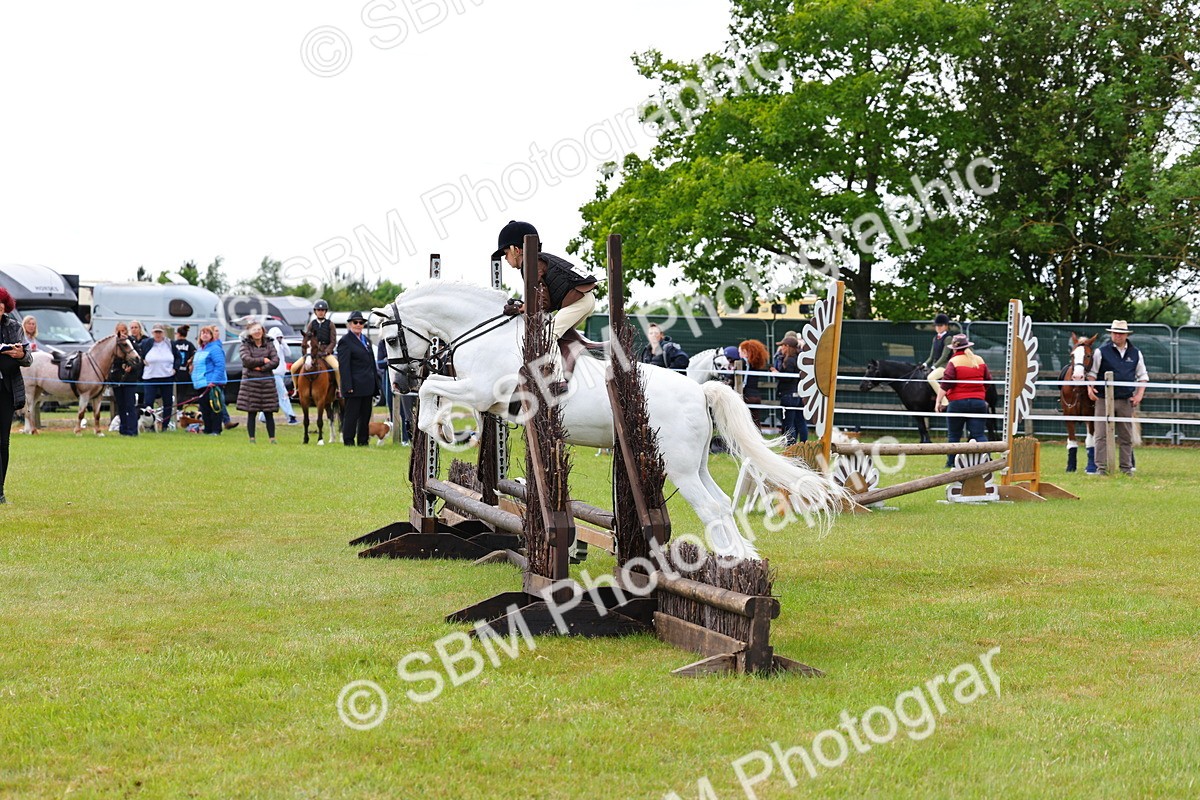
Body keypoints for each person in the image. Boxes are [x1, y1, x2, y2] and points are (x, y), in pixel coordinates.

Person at [493, 220, 597, 386]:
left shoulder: (531, 264)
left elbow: (543, 302)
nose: (505, 258)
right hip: (582, 299)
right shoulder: (536, 261)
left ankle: (557, 380)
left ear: (516, 250)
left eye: (505, 253)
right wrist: (524, 306)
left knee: (547, 336)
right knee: (554, 331)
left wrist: (521, 308)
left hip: (579, 300)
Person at [1087, 320, 1148, 476]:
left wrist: (1139, 394)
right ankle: (1101, 468)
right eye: (1114, 332)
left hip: (1125, 399)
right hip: (1103, 399)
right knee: (1101, 434)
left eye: (1120, 333)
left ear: (1126, 335)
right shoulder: (1101, 351)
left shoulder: (1135, 353)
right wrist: (1090, 388)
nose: (1117, 335)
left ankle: (1126, 468)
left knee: (1126, 435)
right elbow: (1092, 374)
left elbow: (1143, 376)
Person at [1, 287, 33, 504]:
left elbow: (28, 358)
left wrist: (21, 354)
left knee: (3, 442)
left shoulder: (13, 327)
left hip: (6, 389)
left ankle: (0, 490)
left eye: (1, 307)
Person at [939, 334, 992, 467]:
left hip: (957, 403)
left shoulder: (954, 362)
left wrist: (938, 401)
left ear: (955, 349)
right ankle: (988, 460)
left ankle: (951, 463)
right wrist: (980, 393)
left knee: (954, 436)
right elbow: (988, 380)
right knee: (979, 434)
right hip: (978, 403)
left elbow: (946, 383)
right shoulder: (979, 360)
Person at [338, 310, 381, 446]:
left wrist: (376, 384)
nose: (358, 324)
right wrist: (347, 386)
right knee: (351, 415)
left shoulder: (367, 341)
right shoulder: (345, 341)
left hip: (368, 385)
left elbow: (372, 364)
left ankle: (363, 441)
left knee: (365, 415)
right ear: (350, 324)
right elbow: (344, 366)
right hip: (354, 386)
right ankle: (348, 441)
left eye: (361, 322)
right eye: (355, 322)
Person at [237, 322, 280, 443]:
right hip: (251, 383)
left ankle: (272, 438)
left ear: (262, 330)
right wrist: (263, 360)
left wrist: (262, 368)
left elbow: (275, 361)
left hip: (267, 383)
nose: (257, 332)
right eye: (254, 330)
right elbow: (246, 360)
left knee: (268, 412)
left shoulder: (269, 344)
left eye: (258, 329)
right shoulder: (245, 345)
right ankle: (252, 439)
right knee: (252, 412)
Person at [291, 299, 340, 395]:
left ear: (325, 311)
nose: (320, 312)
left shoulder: (330, 324)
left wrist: (327, 351)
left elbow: (333, 341)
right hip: (312, 353)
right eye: (318, 310)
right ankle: (296, 389)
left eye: (322, 310)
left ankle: (339, 389)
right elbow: (306, 338)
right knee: (293, 368)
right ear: (315, 311)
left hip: (325, 353)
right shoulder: (311, 324)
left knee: (336, 367)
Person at [137, 324, 176, 432]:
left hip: (167, 377)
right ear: (152, 333)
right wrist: (141, 360)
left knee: (167, 402)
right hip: (150, 377)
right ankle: (149, 426)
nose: (158, 334)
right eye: (156, 332)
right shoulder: (146, 343)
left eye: (160, 332)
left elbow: (178, 357)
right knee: (148, 402)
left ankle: (165, 425)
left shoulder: (170, 343)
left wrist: (175, 368)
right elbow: (136, 352)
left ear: (163, 333)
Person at [772, 335, 806, 445]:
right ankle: (799, 443)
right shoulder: (797, 359)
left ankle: (790, 445)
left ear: (787, 346)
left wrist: (777, 374)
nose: (781, 348)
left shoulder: (790, 360)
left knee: (788, 422)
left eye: (782, 346)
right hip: (796, 394)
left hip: (788, 394)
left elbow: (788, 377)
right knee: (798, 421)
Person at [194, 325, 228, 435]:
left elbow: (220, 366)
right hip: (201, 383)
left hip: (211, 383)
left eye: (207, 333)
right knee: (204, 408)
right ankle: (208, 429)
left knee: (215, 407)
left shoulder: (215, 349)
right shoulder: (200, 349)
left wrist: (213, 381)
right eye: (202, 333)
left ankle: (216, 430)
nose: (204, 335)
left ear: (212, 335)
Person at [108, 322, 140, 436]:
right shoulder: (113, 344)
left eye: (124, 330)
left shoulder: (131, 342)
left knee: (130, 405)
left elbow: (137, 359)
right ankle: (123, 429)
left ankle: (132, 430)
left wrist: (131, 367)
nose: (123, 333)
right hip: (117, 379)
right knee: (120, 406)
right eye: (120, 331)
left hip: (130, 380)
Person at [268, 326, 298, 425]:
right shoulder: (271, 345)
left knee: (271, 396)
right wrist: (276, 341)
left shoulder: (281, 344)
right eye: (278, 337)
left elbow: (288, 353)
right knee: (283, 395)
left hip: (281, 374)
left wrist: (282, 342)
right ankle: (290, 416)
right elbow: (274, 353)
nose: (280, 338)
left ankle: (263, 416)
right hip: (274, 374)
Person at [737, 339, 770, 427]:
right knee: (756, 422)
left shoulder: (743, 363)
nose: (739, 354)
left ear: (744, 351)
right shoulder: (756, 364)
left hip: (747, 395)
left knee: (745, 422)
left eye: (739, 352)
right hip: (756, 396)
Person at [924, 313, 954, 409]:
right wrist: (925, 364)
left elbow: (944, 356)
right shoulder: (935, 338)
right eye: (937, 326)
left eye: (940, 326)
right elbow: (932, 356)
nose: (938, 328)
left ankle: (945, 401)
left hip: (945, 365)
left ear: (946, 326)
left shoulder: (948, 338)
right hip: (937, 365)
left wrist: (934, 367)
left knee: (931, 378)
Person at [171, 324, 197, 428]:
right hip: (185, 372)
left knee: (175, 393)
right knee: (182, 393)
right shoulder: (189, 344)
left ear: (178, 334)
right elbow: (195, 353)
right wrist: (190, 362)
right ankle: (180, 411)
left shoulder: (174, 344)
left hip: (175, 371)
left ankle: (177, 411)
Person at [127, 320, 149, 409]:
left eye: (136, 327)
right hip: (133, 371)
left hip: (144, 371)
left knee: (143, 396)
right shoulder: (129, 341)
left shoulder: (146, 340)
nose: (134, 330)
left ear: (140, 329)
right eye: (132, 328)